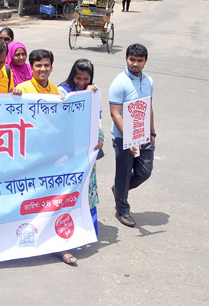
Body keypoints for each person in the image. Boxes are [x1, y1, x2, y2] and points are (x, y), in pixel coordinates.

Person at [56, 58, 104, 265]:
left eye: (86, 78)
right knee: (67, 190)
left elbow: (97, 118)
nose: (82, 82)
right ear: (72, 75)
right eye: (78, 78)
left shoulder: (92, 92)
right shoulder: (62, 90)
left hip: (86, 150)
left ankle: (87, 227)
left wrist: (99, 137)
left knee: (87, 187)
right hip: (66, 152)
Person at [109, 43, 155, 228]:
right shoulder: (119, 82)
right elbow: (115, 113)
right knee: (124, 173)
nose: (135, 64)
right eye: (132, 59)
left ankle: (119, 190)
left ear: (145, 61)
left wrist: (152, 133)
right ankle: (122, 210)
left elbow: (149, 107)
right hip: (123, 138)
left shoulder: (149, 81)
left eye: (139, 61)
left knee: (145, 172)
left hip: (144, 135)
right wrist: (129, 137)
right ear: (126, 59)